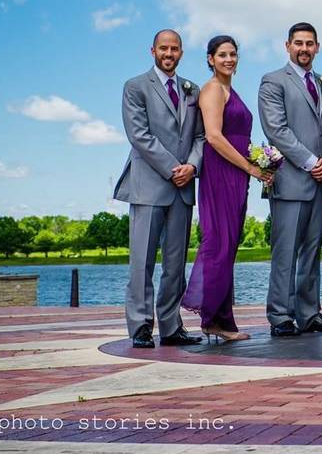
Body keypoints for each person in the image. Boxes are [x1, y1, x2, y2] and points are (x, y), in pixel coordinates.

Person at [115, 29, 204, 349]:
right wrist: (173, 169)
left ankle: (171, 325)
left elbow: (200, 137)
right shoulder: (135, 86)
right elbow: (139, 135)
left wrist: (192, 167)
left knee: (176, 263)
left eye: (175, 49)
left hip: (183, 187)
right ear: (152, 50)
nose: (169, 54)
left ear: (181, 52)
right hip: (149, 187)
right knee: (142, 263)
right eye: (164, 48)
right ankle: (140, 325)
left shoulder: (192, 91)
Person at [181, 36, 272, 342]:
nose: (229, 59)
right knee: (219, 242)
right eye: (222, 55)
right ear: (210, 59)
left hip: (236, 174)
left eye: (233, 54)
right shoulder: (212, 89)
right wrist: (250, 167)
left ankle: (219, 319)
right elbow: (214, 137)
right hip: (221, 172)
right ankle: (213, 319)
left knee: (229, 243)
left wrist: (257, 163)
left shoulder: (230, 90)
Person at [258, 22, 322, 336]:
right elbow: (276, 130)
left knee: (312, 250)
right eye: (298, 43)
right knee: (285, 251)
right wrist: (311, 162)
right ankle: (280, 315)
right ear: (287, 46)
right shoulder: (272, 81)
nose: (304, 49)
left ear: (317, 47)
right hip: (291, 181)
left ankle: (309, 314)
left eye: (310, 43)